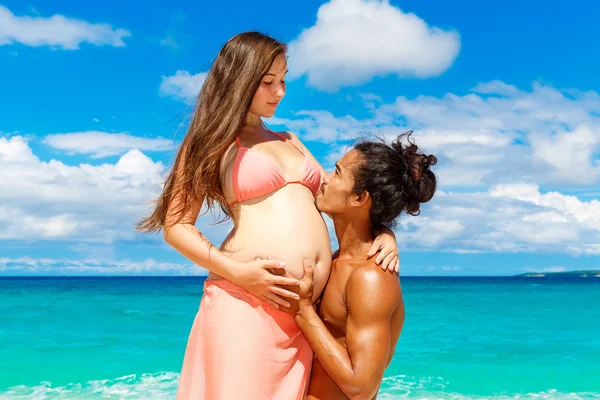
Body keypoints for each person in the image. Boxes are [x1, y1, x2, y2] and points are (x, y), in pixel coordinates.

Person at [135, 31, 399, 400]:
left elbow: (349, 196)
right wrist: (241, 273)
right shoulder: (210, 142)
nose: (280, 91)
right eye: (268, 82)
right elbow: (176, 227)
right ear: (239, 80)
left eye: (284, 79)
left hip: (304, 314)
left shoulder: (289, 139)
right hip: (245, 299)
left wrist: (385, 231)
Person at [282, 132, 437, 400]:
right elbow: (291, 142)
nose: (325, 178)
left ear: (359, 198)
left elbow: (361, 388)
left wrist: (303, 312)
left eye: (337, 173)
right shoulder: (337, 260)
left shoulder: (371, 277)